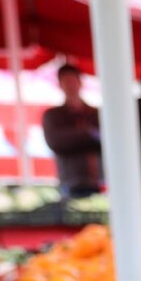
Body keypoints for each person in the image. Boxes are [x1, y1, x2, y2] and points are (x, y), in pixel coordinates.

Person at [41, 65, 101, 198]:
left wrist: (80, 136)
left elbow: (106, 142)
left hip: (99, 181)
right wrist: (88, 134)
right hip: (71, 183)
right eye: (66, 81)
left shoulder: (95, 114)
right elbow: (57, 142)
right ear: (60, 85)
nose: (70, 86)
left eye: (73, 81)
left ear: (80, 82)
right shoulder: (53, 115)